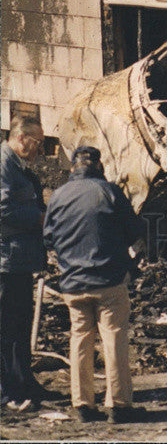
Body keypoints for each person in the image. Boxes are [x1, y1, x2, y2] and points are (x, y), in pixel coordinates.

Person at [43, 146, 145, 424]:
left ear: (73, 167)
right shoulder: (110, 192)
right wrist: (127, 265)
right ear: (98, 166)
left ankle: (82, 405)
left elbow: (49, 239)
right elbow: (135, 233)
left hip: (73, 283)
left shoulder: (58, 195)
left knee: (79, 339)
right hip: (109, 281)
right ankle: (119, 406)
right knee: (113, 340)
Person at [1, 116, 49, 411]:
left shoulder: (16, 165)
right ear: (21, 138)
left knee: (20, 324)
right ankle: (6, 391)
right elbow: (3, 209)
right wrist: (40, 219)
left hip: (17, 260)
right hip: (5, 260)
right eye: (38, 143)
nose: (39, 150)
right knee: (6, 326)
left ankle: (24, 382)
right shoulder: (4, 164)